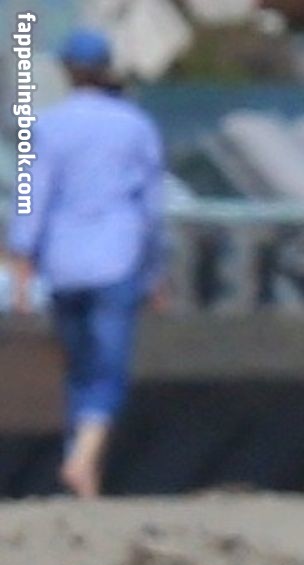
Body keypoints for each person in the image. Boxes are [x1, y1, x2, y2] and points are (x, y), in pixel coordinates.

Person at [5, 27, 167, 498]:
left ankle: (85, 470)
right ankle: (82, 459)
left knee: (78, 367)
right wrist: (156, 270)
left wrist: (22, 260)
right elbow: (152, 207)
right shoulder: (135, 126)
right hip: (117, 256)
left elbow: (31, 198)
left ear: (66, 71)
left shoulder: (48, 127)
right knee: (108, 368)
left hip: (64, 260)